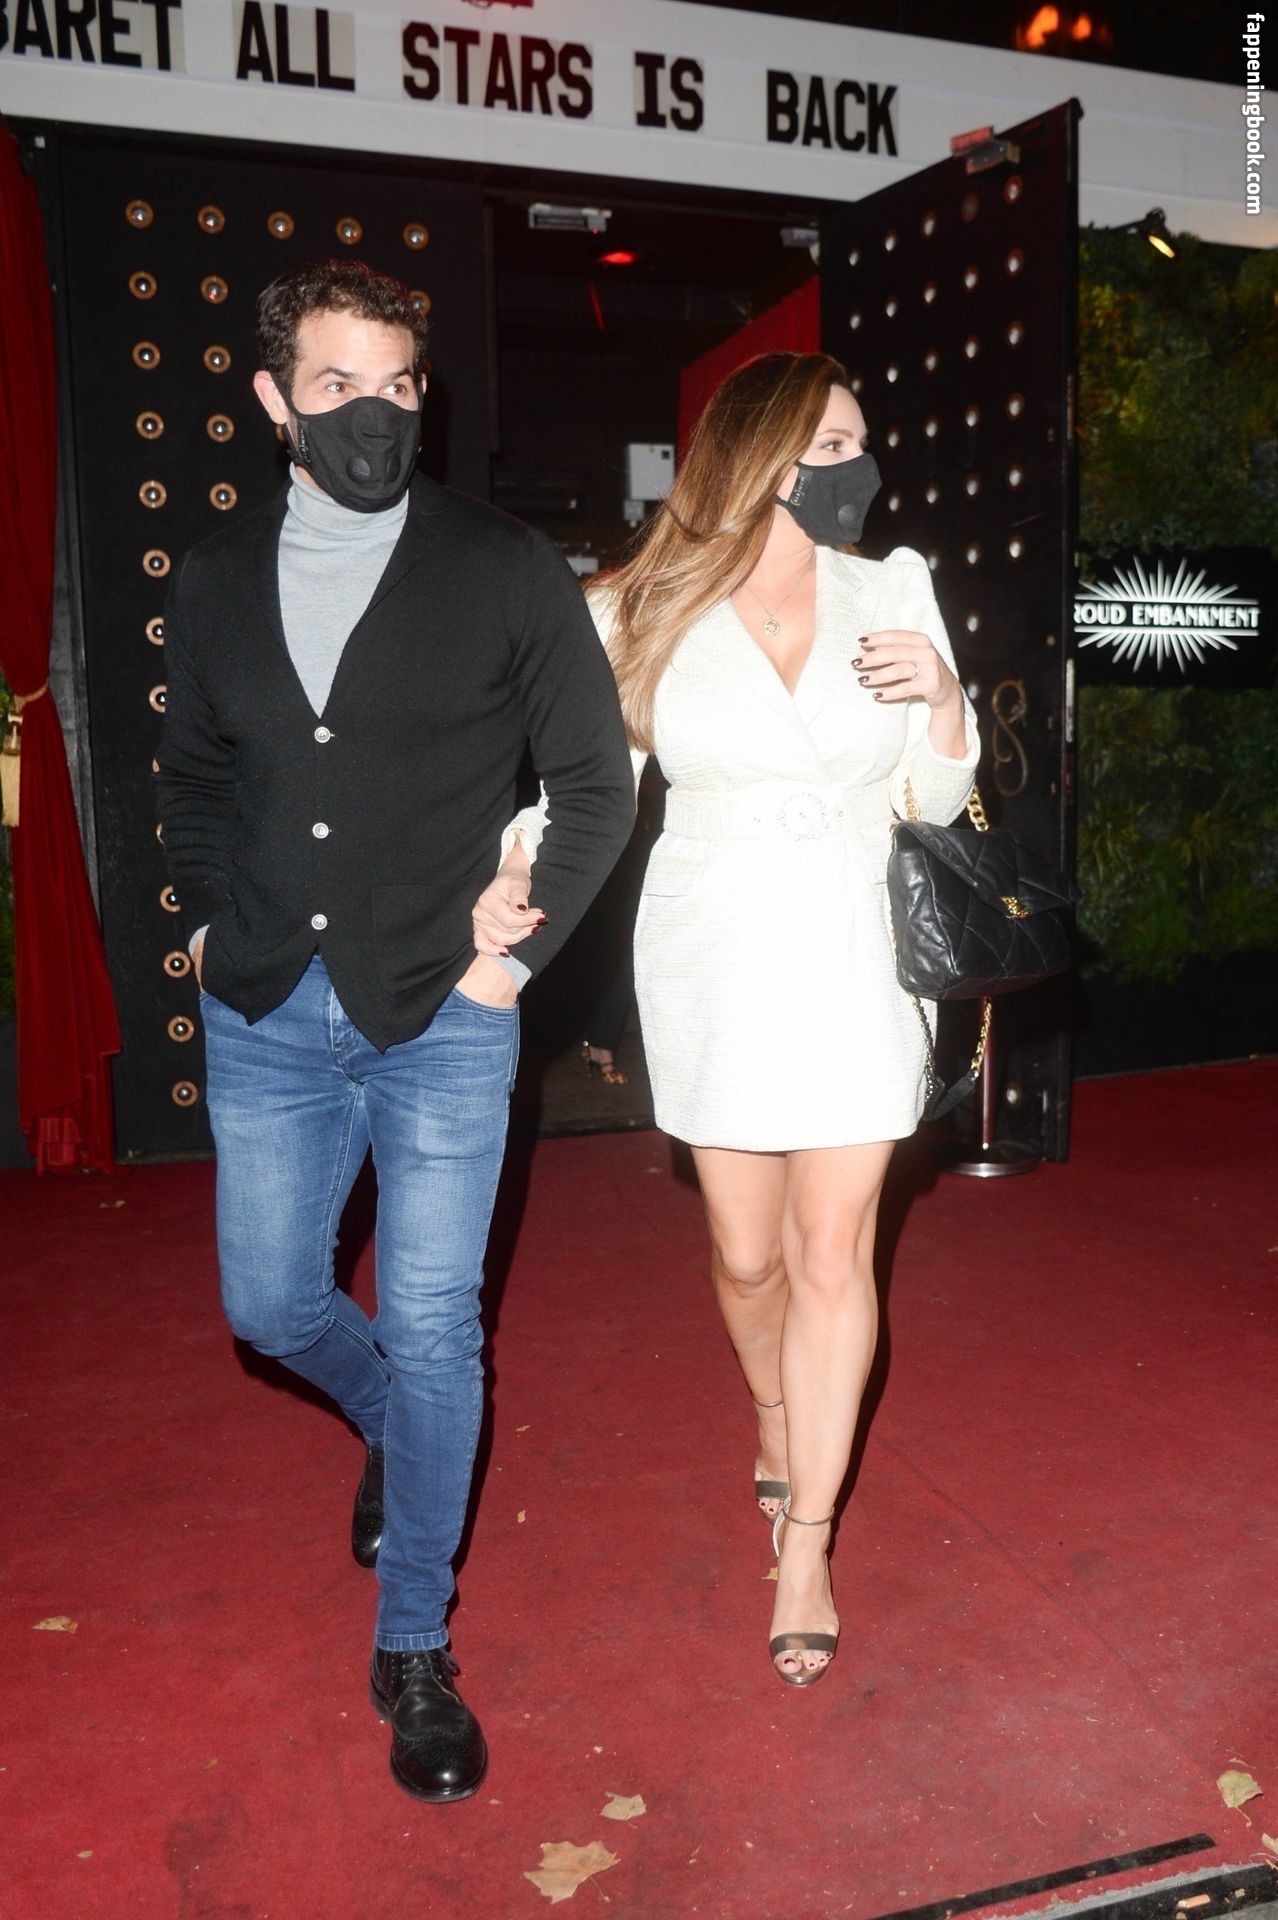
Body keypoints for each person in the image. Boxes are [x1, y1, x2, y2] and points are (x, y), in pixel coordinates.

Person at [154, 259, 635, 1799]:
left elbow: (597, 782)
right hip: (264, 1011)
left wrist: (513, 965)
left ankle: (413, 1644)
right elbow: (192, 783)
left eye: (400, 386)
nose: (375, 413)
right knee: (270, 1306)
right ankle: (398, 1424)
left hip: (445, 1013)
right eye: (339, 385)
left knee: (435, 1324)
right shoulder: (215, 578)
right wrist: (204, 927)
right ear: (274, 399)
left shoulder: (501, 568)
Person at [592, 351, 979, 1685]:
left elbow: (935, 801)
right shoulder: (639, 602)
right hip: (713, 948)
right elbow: (590, 791)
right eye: (827, 446)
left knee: (831, 1249)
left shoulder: (894, 585)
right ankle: (771, 1411)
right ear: (753, 455)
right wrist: (511, 880)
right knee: (747, 1257)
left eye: (859, 442)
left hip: (857, 943)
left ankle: (807, 1540)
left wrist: (944, 704)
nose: (854, 466)